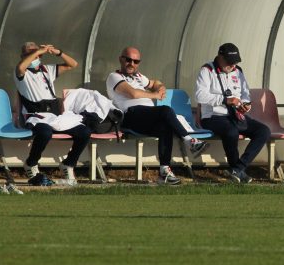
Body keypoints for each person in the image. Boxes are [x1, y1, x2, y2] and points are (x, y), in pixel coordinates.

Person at [106, 47, 208, 185]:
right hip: (130, 115)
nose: (132, 63)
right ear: (121, 59)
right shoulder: (114, 76)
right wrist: (155, 95)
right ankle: (190, 141)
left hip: (147, 116)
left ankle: (164, 171)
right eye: (128, 60)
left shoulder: (138, 77)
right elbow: (133, 94)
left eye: (136, 61)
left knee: (166, 126)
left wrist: (160, 88)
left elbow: (155, 82)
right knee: (165, 110)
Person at [15, 42, 91, 186]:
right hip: (35, 115)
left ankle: (68, 164)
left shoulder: (46, 69)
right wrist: (36, 52)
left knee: (84, 132)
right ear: (22, 56)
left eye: (36, 52)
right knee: (45, 133)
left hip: (53, 115)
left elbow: (73, 64)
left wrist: (57, 52)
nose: (34, 55)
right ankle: (31, 163)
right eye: (28, 53)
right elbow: (20, 67)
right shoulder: (21, 72)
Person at [195, 43, 270, 183]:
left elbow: (245, 94)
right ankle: (238, 171)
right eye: (229, 62)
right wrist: (225, 100)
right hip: (213, 116)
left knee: (264, 131)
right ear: (220, 57)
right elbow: (200, 96)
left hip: (236, 116)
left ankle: (238, 169)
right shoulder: (207, 70)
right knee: (231, 132)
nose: (232, 65)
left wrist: (245, 105)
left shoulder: (238, 71)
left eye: (235, 62)